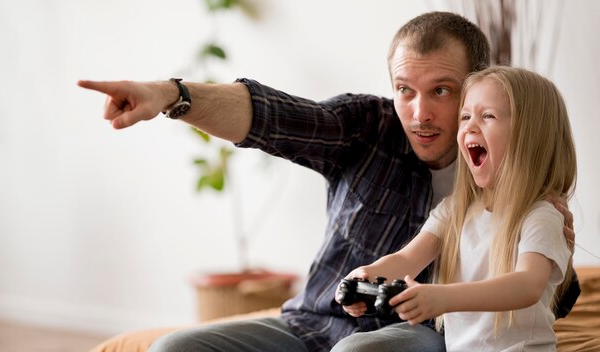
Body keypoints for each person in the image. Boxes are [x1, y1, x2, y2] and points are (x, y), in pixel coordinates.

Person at [77, 11, 578, 352]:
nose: (419, 113)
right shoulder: (369, 127)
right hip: (312, 324)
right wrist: (170, 95)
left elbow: (534, 294)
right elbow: (272, 116)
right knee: (172, 348)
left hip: (421, 336)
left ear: (475, 85)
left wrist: (563, 260)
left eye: (442, 92)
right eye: (405, 90)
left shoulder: (521, 199)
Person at [338, 66, 576, 351]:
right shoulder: (455, 210)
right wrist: (367, 274)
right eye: (465, 117)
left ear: (531, 136)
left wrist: (442, 298)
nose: (469, 127)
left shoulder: (542, 216)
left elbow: (527, 285)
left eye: (487, 116)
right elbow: (406, 259)